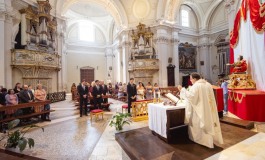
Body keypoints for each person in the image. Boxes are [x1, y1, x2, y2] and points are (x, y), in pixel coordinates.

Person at [178, 72, 223, 148]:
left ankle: (201, 140)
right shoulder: (207, 84)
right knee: (208, 122)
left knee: (198, 124)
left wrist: (182, 90)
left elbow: (192, 97)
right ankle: (209, 141)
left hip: (199, 110)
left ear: (195, 79)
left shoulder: (196, 86)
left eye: (191, 79)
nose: (190, 80)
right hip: (208, 109)